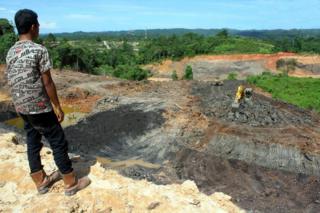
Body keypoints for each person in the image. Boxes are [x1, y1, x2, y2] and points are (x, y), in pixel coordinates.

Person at [5, 9, 90, 196]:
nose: (40, 27)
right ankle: (71, 182)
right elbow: (48, 82)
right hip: (39, 107)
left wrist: (20, 103)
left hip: (21, 106)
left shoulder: (10, 52)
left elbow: (12, 79)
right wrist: (57, 106)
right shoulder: (39, 50)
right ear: (33, 27)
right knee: (58, 141)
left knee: (32, 140)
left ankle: (41, 181)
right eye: (38, 24)